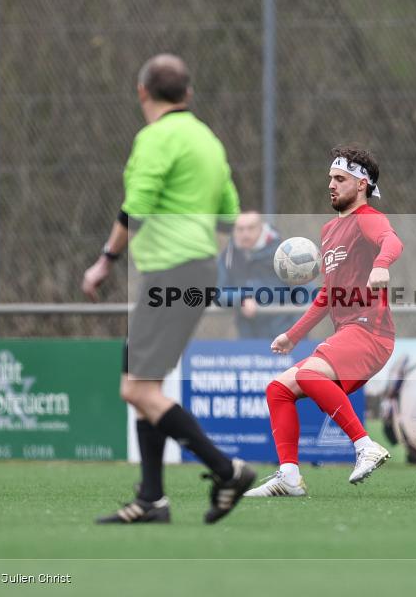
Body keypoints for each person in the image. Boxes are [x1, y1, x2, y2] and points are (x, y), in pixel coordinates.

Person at [81, 53, 255, 523]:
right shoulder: (208, 141)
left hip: (170, 273)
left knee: (133, 390)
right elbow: (227, 215)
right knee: (147, 387)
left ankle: (226, 468)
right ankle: (152, 498)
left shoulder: (155, 138)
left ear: (142, 92)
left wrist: (105, 262)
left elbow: (134, 207)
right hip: (199, 270)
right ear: (189, 95)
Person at [245, 145, 403, 497]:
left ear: (361, 184)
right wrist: (292, 335)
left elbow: (392, 241)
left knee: (308, 374)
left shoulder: (368, 219)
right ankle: (289, 476)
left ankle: (365, 446)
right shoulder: (331, 230)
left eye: (340, 179)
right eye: (330, 178)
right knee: (279, 389)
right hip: (349, 332)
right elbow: (327, 295)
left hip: (371, 333)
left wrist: (381, 264)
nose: (331, 185)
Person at [216, 210, 300, 338]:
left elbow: (305, 290)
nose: (245, 234)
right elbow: (218, 291)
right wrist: (241, 298)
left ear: (261, 228)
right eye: (240, 229)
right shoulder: (228, 257)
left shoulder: (284, 253)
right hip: (248, 337)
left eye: (250, 228)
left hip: (285, 336)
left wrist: (295, 332)